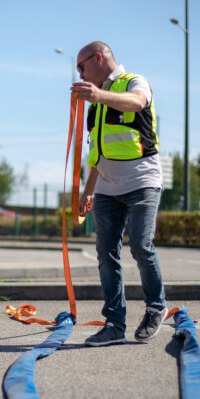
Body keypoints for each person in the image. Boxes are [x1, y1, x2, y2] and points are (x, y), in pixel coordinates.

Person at [70, 41, 167, 347]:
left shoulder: (135, 82)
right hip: (106, 189)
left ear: (98, 58)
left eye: (81, 66)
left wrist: (99, 95)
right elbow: (98, 151)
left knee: (140, 245)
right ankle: (114, 323)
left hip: (142, 182)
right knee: (106, 254)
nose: (81, 73)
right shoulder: (95, 105)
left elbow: (137, 102)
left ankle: (156, 307)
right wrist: (88, 191)